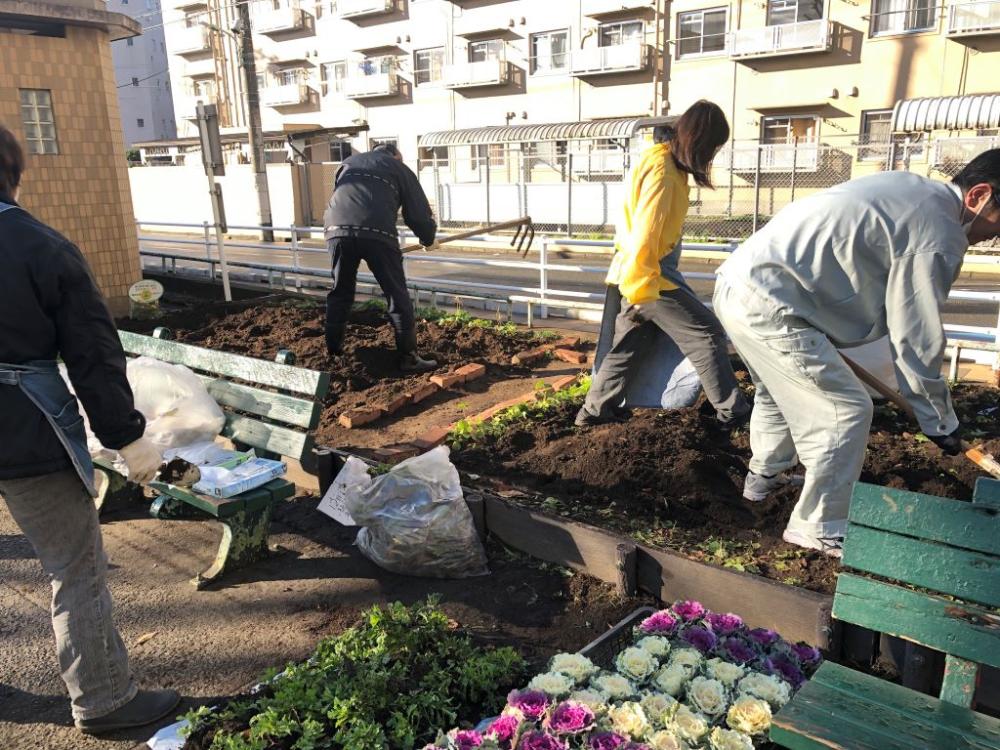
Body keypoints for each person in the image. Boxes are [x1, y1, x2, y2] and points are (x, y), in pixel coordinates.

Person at [713, 149, 1000, 557]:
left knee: (779, 393)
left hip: (745, 283)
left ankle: (765, 479)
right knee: (844, 410)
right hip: (772, 301)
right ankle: (819, 526)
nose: (994, 236)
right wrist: (938, 420)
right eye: (999, 225)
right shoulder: (940, 231)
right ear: (979, 196)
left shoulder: (915, 191)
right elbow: (915, 333)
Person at [0, 125, 178, 733]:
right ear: (12, 173)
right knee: (73, 567)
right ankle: (104, 700)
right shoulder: (36, 245)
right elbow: (93, 353)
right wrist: (127, 436)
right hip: (25, 432)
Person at [576, 101, 750, 428]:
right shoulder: (665, 173)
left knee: (628, 345)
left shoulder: (658, 159)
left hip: (635, 272)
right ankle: (733, 413)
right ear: (699, 141)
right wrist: (643, 293)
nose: (711, 156)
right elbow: (646, 235)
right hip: (649, 276)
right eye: (712, 147)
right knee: (706, 333)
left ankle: (593, 412)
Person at [323, 142, 440, 372]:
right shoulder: (399, 168)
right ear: (395, 156)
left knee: (341, 290)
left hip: (336, 230)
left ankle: (333, 353)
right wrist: (428, 238)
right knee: (396, 292)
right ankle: (409, 358)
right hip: (378, 233)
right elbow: (417, 213)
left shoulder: (347, 164)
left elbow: (344, 197)